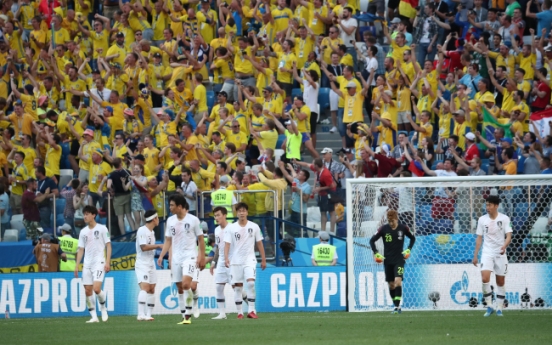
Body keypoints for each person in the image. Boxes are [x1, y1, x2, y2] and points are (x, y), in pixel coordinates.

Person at [158, 194, 205, 325]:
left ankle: (187, 315)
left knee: (186, 284)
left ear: (180, 206)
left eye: (172, 205)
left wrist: (201, 256)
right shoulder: (170, 221)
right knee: (180, 287)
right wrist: (162, 255)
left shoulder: (193, 220)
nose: (170, 207)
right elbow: (168, 240)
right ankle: (193, 302)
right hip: (176, 258)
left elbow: (201, 239)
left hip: (190, 256)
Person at [224, 202, 266, 319]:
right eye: (239, 211)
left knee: (251, 283)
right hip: (235, 261)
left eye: (243, 211)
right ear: (236, 213)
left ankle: (252, 310)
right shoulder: (231, 228)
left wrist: (263, 259)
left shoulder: (254, 226)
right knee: (238, 287)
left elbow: (259, 243)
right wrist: (226, 257)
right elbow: (227, 244)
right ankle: (240, 313)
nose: (241, 213)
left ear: (247, 212)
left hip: (249, 260)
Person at [472, 195, 512, 317]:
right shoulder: (482, 220)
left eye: (489, 205)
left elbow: (509, 235)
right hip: (487, 253)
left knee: (500, 282)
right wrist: (475, 255)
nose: (487, 207)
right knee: (484, 278)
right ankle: (489, 306)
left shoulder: (504, 219)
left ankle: (499, 308)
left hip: (500, 253)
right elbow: (479, 238)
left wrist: (504, 246)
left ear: (496, 206)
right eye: (486, 204)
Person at [369, 210, 416, 314]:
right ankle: (396, 305)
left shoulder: (404, 228)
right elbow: (372, 240)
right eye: (389, 221)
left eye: (392, 221)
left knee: (398, 281)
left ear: (397, 219)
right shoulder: (383, 229)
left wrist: (409, 249)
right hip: (388, 260)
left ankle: (397, 306)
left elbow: (413, 238)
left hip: (399, 259)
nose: (391, 223)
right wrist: (376, 253)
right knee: (391, 284)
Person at [74, 205, 112, 323]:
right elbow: (81, 249)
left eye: (87, 214)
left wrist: (108, 262)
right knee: (87, 291)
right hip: (87, 264)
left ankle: (103, 308)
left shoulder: (102, 228)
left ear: (93, 215)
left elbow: (108, 245)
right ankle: (94, 317)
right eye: (84, 214)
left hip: (99, 262)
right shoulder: (83, 232)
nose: (85, 216)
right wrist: (77, 265)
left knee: (96, 289)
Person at [136, 210, 163, 321]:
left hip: (150, 263)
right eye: (157, 217)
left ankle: (148, 314)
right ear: (154, 219)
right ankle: (140, 314)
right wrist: (158, 246)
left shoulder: (152, 232)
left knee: (152, 288)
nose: (158, 220)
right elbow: (143, 247)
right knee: (145, 288)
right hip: (142, 263)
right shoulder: (142, 230)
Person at [211, 206, 232, 320]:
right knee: (219, 287)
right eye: (215, 216)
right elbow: (218, 247)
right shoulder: (216, 230)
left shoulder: (232, 228)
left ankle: (251, 307)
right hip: (221, 262)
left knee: (236, 287)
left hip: (232, 262)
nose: (216, 217)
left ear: (224, 215)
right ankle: (222, 313)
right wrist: (214, 261)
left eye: (218, 215)